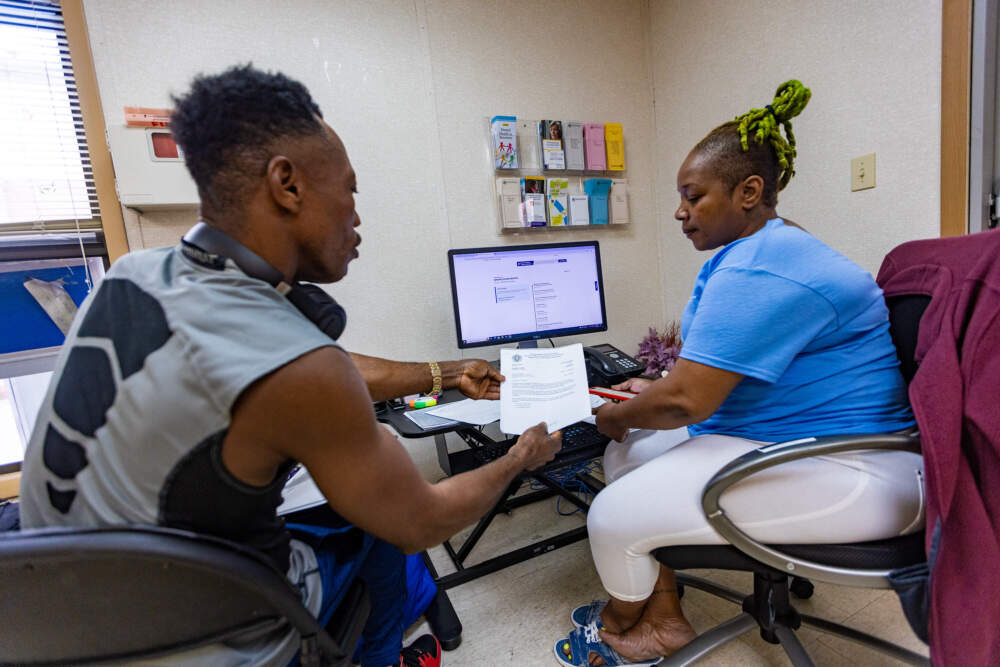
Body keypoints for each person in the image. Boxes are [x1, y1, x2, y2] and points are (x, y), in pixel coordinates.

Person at [19, 64, 563, 667]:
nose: (356, 217)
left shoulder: (133, 277)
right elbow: (422, 520)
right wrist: (520, 459)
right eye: (350, 190)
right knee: (379, 527)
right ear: (288, 184)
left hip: (59, 609)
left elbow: (309, 371)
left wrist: (446, 372)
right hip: (209, 633)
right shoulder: (301, 368)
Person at [555, 80, 924, 666]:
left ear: (749, 191)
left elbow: (688, 404)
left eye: (693, 196)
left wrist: (614, 414)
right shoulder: (770, 250)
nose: (679, 211)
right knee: (627, 457)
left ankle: (620, 628)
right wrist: (653, 397)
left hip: (857, 469)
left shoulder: (765, 267)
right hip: (800, 441)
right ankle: (665, 616)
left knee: (611, 513)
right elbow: (719, 373)